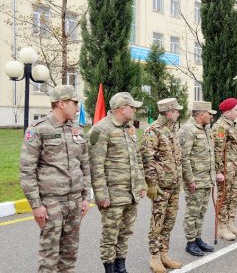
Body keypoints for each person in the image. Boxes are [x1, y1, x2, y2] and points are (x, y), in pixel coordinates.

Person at [20, 85, 91, 273]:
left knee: (69, 255)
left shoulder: (76, 129)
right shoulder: (39, 129)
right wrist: (36, 205)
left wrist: (85, 197)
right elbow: (27, 170)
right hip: (51, 202)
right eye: (75, 103)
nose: (77, 108)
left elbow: (85, 165)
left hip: (74, 201)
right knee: (49, 257)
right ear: (61, 103)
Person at [87, 92, 146, 273]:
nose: (135, 110)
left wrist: (141, 183)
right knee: (110, 235)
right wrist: (101, 195)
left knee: (125, 233)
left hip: (131, 193)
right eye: (132, 107)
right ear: (122, 109)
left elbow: (136, 158)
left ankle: (121, 266)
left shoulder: (129, 128)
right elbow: (95, 166)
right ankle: (109, 268)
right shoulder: (100, 130)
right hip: (113, 195)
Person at [140, 98, 183, 273]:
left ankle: (165, 254)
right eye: (177, 111)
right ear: (169, 112)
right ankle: (155, 257)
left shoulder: (172, 130)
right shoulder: (153, 131)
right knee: (157, 222)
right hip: (161, 187)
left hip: (173, 185)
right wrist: (151, 184)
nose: (179, 113)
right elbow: (147, 159)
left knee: (169, 221)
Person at [179, 101, 219, 256]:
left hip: (206, 178)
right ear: (201, 114)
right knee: (192, 212)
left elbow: (210, 154)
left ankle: (197, 238)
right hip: (195, 180)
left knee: (201, 211)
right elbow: (184, 157)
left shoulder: (206, 129)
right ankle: (190, 242)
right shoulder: (188, 130)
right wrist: (190, 179)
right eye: (209, 114)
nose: (211, 116)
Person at [212, 98, 237, 241]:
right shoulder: (220, 127)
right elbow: (218, 151)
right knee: (223, 197)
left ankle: (230, 222)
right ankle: (222, 227)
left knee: (234, 196)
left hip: (234, 167)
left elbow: (236, 146)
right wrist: (218, 171)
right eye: (236, 110)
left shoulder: (233, 124)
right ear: (227, 112)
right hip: (225, 169)